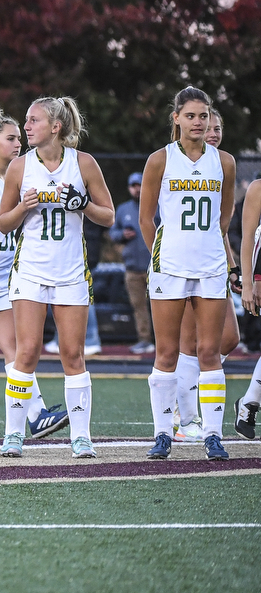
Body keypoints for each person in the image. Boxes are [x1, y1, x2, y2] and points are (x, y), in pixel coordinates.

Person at [0, 95, 115, 459]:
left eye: (33, 120)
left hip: (70, 272)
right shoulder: (19, 167)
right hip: (31, 269)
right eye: (26, 120)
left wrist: (81, 203)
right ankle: (13, 434)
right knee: (27, 351)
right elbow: (3, 222)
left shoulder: (83, 163)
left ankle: (81, 437)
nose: (26, 127)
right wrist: (23, 207)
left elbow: (107, 215)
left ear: (56, 126)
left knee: (72, 354)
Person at [0, 106, 69, 439]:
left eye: (20, 137)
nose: (18, 143)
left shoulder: (18, 176)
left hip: (4, 280)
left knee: (15, 349)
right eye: (10, 138)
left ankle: (37, 415)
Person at [140, 86, 233, 461]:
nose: (199, 122)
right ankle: (163, 433)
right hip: (170, 268)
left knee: (210, 350)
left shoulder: (223, 161)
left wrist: (209, 245)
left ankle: (213, 434)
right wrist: (161, 254)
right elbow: (147, 217)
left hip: (210, 266)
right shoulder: (159, 160)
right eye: (191, 115)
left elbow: (223, 217)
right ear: (175, 118)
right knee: (166, 352)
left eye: (204, 115)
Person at [172, 110, 242, 443]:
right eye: (204, 125)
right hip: (181, 263)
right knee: (189, 346)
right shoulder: (172, 160)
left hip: (212, 262)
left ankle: (184, 397)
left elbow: (221, 226)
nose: (210, 131)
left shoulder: (221, 164)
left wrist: (231, 267)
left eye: (216, 126)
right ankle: (184, 418)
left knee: (226, 339)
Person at [109, 172, 155, 354]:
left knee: (162, 307)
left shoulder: (155, 207)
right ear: (129, 188)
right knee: (139, 307)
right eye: (134, 186)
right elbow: (113, 233)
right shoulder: (123, 209)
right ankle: (144, 340)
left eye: (140, 185)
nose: (137, 189)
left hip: (155, 268)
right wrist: (122, 235)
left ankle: (164, 342)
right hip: (133, 268)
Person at [235, 161, 261, 440]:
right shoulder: (257, 188)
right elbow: (249, 239)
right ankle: (249, 403)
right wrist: (250, 281)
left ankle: (249, 403)